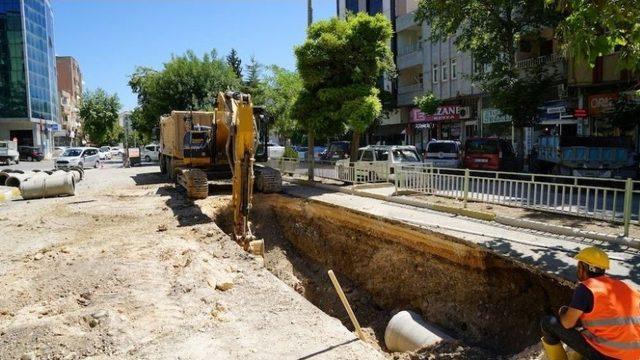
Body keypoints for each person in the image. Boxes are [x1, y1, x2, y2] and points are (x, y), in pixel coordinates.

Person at [540, 247, 640, 360]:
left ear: (583, 267)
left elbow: (567, 323)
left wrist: (563, 313)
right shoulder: (626, 287)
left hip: (610, 356)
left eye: (579, 265)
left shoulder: (586, 288)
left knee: (548, 322)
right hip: (636, 356)